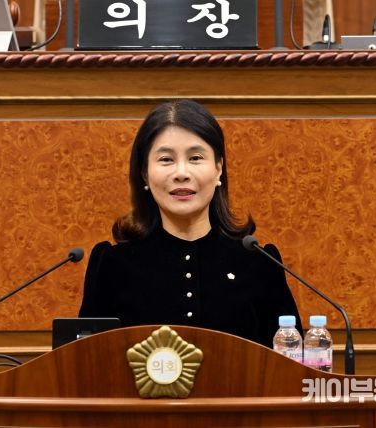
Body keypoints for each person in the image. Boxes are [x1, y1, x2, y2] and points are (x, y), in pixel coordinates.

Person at [79, 99, 301, 348]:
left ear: (218, 168)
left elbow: (292, 362)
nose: (181, 173)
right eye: (166, 159)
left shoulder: (259, 262)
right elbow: (86, 362)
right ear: (144, 174)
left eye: (195, 158)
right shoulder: (113, 265)